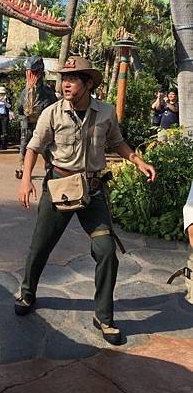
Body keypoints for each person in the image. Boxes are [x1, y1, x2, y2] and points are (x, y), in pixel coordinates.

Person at [15, 56, 156, 346]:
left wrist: (137, 161)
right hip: (60, 188)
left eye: (73, 79)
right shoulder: (52, 113)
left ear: (88, 83)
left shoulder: (105, 113)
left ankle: (103, 317)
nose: (65, 84)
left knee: (106, 251)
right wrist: (26, 179)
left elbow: (117, 141)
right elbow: (33, 147)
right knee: (40, 246)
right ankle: (28, 291)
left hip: (92, 192)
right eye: (64, 78)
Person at [16, 56, 57, 179]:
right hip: (28, 123)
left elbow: (54, 109)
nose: (31, 76)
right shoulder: (24, 93)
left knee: (46, 146)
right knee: (25, 144)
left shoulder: (48, 93)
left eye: (34, 73)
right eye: (29, 72)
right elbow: (19, 109)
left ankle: (49, 167)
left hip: (43, 124)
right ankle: (22, 167)